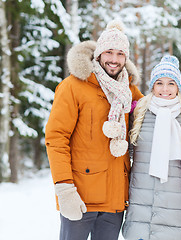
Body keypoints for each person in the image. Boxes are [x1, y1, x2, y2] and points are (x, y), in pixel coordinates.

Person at [45, 20, 143, 240]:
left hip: (115, 200)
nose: (114, 59)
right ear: (99, 53)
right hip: (80, 198)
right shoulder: (73, 86)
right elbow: (56, 138)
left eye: (120, 54)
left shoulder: (129, 91)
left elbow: (154, 114)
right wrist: (64, 188)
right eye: (109, 52)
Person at [121, 55, 181, 240]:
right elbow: (127, 151)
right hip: (140, 206)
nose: (165, 89)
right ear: (152, 85)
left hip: (172, 207)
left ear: (178, 87)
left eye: (171, 83)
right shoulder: (139, 112)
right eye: (159, 83)